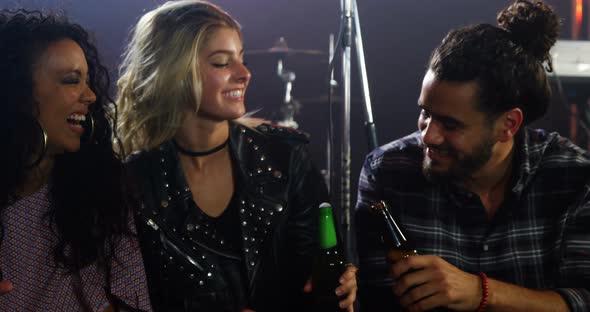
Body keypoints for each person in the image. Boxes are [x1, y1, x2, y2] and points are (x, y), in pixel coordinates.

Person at [117, 1, 357, 311]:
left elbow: (319, 274)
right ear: (174, 72)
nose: (244, 73)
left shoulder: (285, 158)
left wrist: (340, 284)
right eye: (221, 63)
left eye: (241, 59)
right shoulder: (135, 183)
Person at [355, 0, 590, 311]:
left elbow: (584, 299)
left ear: (508, 125)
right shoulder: (387, 172)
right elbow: (379, 301)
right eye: (426, 113)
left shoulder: (573, 177)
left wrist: (480, 292)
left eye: (450, 124)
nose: (428, 135)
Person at [0, 9, 152, 311]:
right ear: (17, 92)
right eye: (71, 80)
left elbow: (125, 300)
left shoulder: (103, 190)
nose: (91, 95)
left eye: (87, 79)